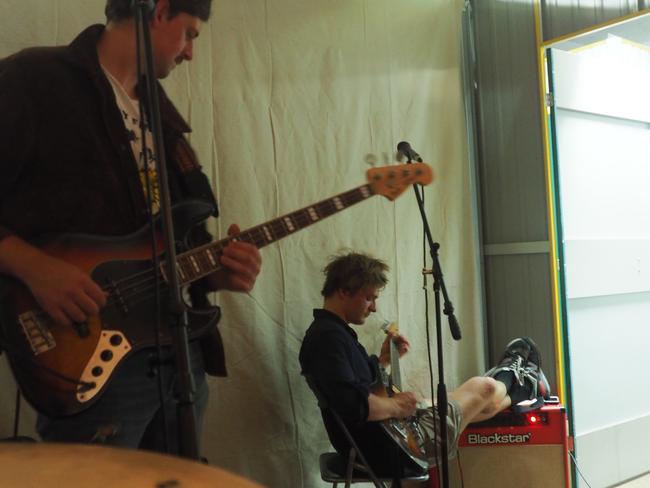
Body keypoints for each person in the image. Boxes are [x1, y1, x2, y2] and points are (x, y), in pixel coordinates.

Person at [0, 0, 261, 454]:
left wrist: (221, 271)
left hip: (181, 360)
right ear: (158, 11)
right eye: (191, 33)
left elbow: (175, 241)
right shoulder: (34, 80)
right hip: (90, 361)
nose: (190, 53)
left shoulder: (166, 121)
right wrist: (36, 269)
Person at [299, 252, 544, 478]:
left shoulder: (334, 334)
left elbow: (364, 389)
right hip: (392, 448)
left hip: (382, 439)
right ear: (344, 291)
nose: (373, 307)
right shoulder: (327, 339)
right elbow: (355, 404)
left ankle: (521, 384)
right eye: (369, 298)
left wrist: (384, 359)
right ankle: (515, 374)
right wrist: (396, 406)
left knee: (482, 404)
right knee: (485, 389)